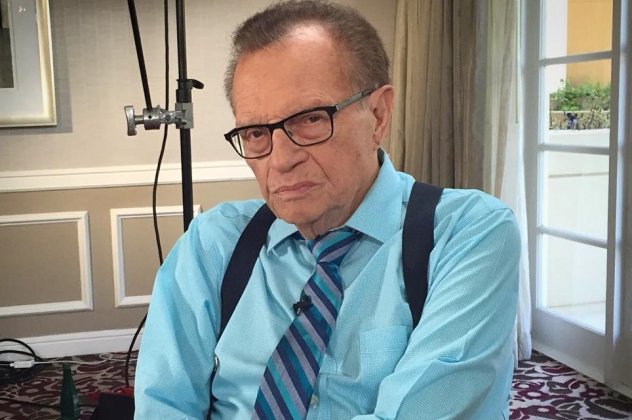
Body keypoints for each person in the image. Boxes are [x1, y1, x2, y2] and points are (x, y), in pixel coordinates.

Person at [134, 1, 520, 419]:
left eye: (310, 119)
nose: (281, 160)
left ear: (378, 115)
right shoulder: (213, 246)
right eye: (256, 132)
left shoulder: (466, 234)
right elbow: (163, 408)